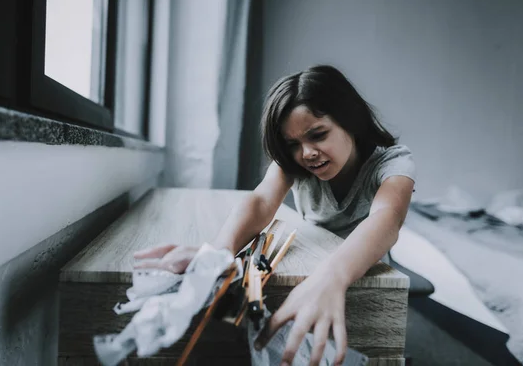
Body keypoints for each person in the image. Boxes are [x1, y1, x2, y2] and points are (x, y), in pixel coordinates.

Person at [133, 65, 416, 366]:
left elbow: (386, 219)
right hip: (313, 259)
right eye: (293, 144)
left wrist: (334, 276)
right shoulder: (295, 162)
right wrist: (220, 250)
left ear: (351, 121)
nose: (307, 153)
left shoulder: (394, 163)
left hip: (359, 269)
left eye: (318, 134)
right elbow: (260, 201)